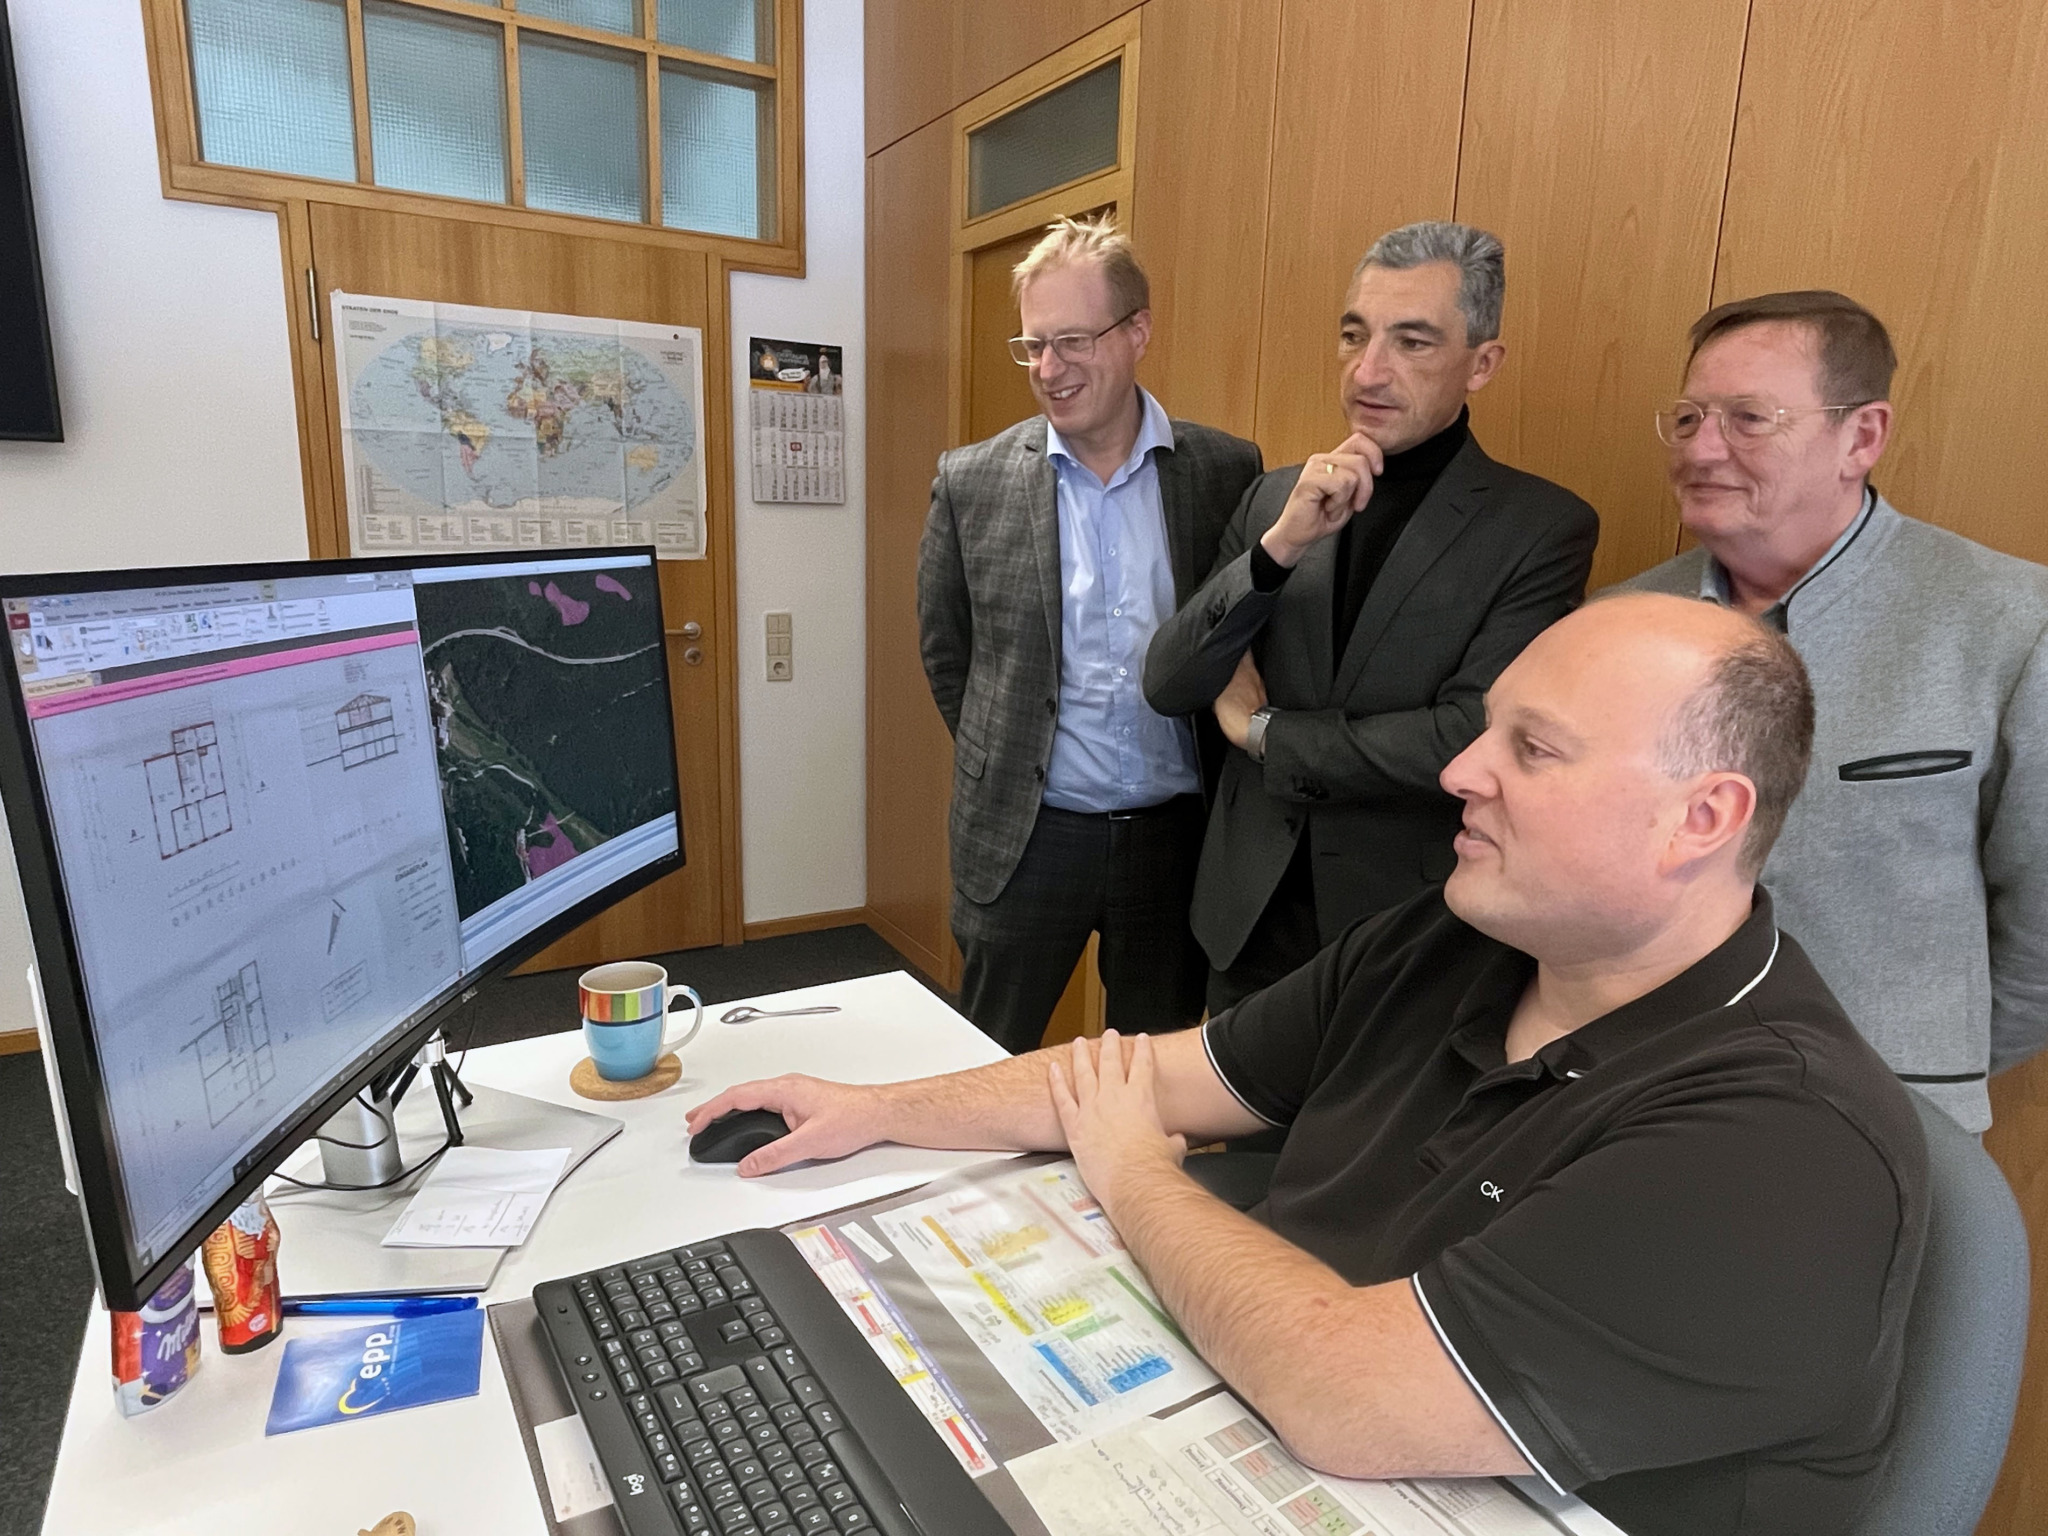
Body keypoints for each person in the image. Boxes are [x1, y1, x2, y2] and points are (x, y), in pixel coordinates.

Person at [691, 593, 1927, 1536]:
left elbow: (1348, 1396)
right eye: (1483, 729)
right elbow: (1154, 1080)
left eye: (1532, 750)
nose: (1458, 772)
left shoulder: (1785, 1140)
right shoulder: (1459, 936)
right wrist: (876, 1108)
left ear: (1699, 820)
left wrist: (1133, 1172)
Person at [1146, 221, 1598, 1012]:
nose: (1368, 371)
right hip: (1243, 920)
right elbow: (1170, 682)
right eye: (1354, 335)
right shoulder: (1273, 498)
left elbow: (1468, 733)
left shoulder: (1539, 529)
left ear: (1482, 363)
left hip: (1405, 934)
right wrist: (1277, 550)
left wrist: (1265, 733)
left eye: (1412, 342)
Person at [1625, 290, 2048, 1131]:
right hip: (1641, 1096)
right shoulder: (1617, 624)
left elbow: (2041, 933)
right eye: (1689, 418)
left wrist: (1919, 1069)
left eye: (1749, 419)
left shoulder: (2013, 622)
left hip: (1886, 1120)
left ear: (1862, 437)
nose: (1702, 449)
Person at [917, 215, 1263, 1053]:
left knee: (1150, 1078)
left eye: (1072, 341)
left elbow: (1240, 633)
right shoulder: (972, 482)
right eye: (1033, 345)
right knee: (985, 1061)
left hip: (1174, 839)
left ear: (1137, 331)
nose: (1049, 369)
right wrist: (1012, 758)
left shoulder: (1226, 471)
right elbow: (948, 654)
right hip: (1028, 837)